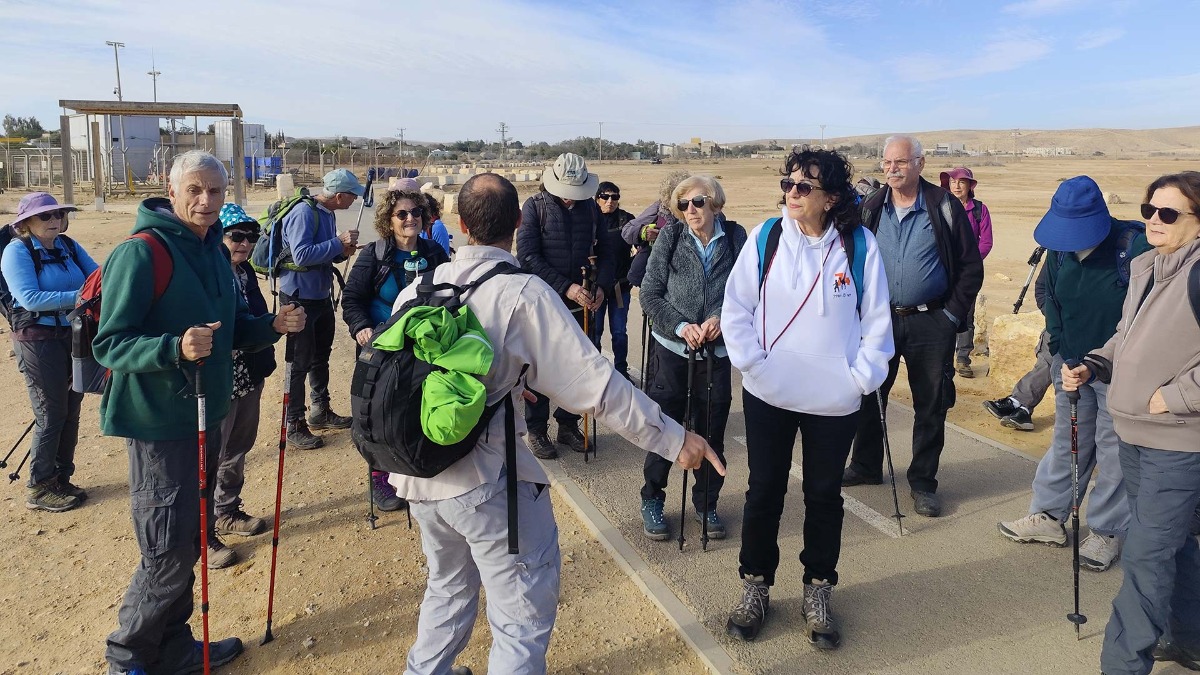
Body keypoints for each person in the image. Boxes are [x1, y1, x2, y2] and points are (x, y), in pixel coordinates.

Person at [391, 172, 722, 675]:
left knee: (448, 587)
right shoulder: (522, 294)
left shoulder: (419, 288)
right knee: (520, 617)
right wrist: (676, 439)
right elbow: (598, 389)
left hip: (418, 478)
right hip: (486, 484)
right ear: (518, 222)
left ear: (460, 225)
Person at [94, 151, 305, 675]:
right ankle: (128, 658)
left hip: (206, 416)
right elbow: (110, 343)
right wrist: (173, 347)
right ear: (172, 192)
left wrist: (271, 326)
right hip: (159, 423)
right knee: (166, 549)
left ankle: (173, 649)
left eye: (215, 191)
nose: (206, 201)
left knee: (189, 538)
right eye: (194, 190)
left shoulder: (215, 251)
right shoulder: (141, 253)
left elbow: (227, 331)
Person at [720, 147, 894, 647]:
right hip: (768, 394)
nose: (791, 193)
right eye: (787, 184)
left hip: (834, 402)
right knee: (763, 491)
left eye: (803, 186)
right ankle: (755, 584)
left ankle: (818, 588)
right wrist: (754, 365)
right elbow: (736, 308)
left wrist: (858, 379)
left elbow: (877, 320)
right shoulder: (767, 237)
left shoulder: (859, 246)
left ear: (831, 198)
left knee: (823, 496)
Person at [1060, 172, 1200, 674]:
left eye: (1168, 213)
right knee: (1171, 546)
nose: (1153, 220)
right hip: (1136, 437)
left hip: (1178, 444)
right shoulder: (1147, 265)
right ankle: (1190, 639)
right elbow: (1127, 334)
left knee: (1145, 557)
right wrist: (1095, 364)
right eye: (1148, 210)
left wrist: (1175, 397)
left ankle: (1121, 665)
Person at [997, 176, 1151, 573]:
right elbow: (1048, 296)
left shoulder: (1134, 247)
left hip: (1120, 372)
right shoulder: (1060, 250)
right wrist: (1061, 349)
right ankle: (1049, 516)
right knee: (1068, 443)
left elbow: (1149, 314)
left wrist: (1107, 361)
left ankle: (1107, 532)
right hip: (1070, 367)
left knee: (1114, 452)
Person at [843, 134, 983, 518]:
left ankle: (922, 482)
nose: (892, 169)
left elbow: (970, 266)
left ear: (920, 164)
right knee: (870, 394)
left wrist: (950, 316)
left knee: (931, 403)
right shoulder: (871, 207)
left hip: (931, 321)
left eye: (901, 162)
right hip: (880, 320)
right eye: (887, 162)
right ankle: (866, 466)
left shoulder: (944, 206)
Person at [638, 175, 745, 543]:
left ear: (714, 202)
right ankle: (652, 498)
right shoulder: (670, 237)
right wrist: (682, 326)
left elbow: (745, 291)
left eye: (697, 202)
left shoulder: (735, 237)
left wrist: (720, 318)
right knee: (664, 428)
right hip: (672, 351)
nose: (690, 210)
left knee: (712, 429)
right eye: (683, 205)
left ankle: (706, 503)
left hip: (716, 353)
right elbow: (650, 295)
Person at [342, 186, 450, 512]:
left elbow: (450, 293)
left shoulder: (434, 252)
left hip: (423, 349)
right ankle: (380, 476)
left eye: (416, 212)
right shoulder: (374, 254)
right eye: (401, 214)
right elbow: (352, 299)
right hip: (382, 349)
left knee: (418, 410)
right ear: (389, 219)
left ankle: (416, 467)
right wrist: (361, 328)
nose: (410, 219)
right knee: (380, 414)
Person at [1, 192, 98, 512]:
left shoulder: (68, 246)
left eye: (59, 214)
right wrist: (81, 297)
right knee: (51, 411)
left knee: (72, 406)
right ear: (26, 222)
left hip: (73, 334)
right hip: (37, 338)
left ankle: (61, 478)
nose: (55, 220)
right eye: (45, 215)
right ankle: (40, 485)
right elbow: (29, 298)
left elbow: (98, 277)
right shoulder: (17, 251)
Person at [515, 153, 614, 459]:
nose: (571, 198)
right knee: (540, 369)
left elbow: (607, 252)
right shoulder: (535, 207)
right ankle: (537, 429)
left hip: (583, 304)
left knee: (580, 367)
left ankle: (568, 424)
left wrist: (601, 286)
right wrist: (566, 287)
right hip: (544, 302)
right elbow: (527, 256)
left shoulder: (591, 209)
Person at [200, 203, 278, 570]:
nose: (244, 243)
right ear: (219, 237)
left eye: (251, 236)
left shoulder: (245, 272)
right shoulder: (207, 275)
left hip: (248, 374)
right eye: (236, 235)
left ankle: (227, 511)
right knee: (208, 457)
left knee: (237, 447)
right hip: (217, 378)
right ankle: (201, 533)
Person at [278, 167, 362, 449]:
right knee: (298, 363)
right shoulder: (304, 213)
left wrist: (342, 252)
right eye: (352, 195)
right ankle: (293, 422)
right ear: (339, 195)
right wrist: (338, 242)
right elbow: (301, 255)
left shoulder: (327, 213)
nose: (354, 200)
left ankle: (320, 410)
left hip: (320, 295)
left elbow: (324, 252)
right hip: (298, 298)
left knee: (320, 357)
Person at [940, 167, 993, 378]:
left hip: (968, 273)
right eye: (953, 182)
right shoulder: (940, 206)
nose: (956, 186)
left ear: (970, 186)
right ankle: (942, 357)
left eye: (961, 182)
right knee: (940, 313)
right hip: (942, 270)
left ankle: (962, 358)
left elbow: (986, 241)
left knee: (966, 315)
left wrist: (969, 263)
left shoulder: (980, 210)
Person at [592, 181, 634, 379]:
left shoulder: (627, 220)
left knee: (619, 332)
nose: (610, 201)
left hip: (620, 287)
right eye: (605, 197)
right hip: (596, 288)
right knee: (595, 331)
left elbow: (641, 241)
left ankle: (621, 372)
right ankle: (596, 373)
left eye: (615, 197)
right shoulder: (589, 220)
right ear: (597, 198)